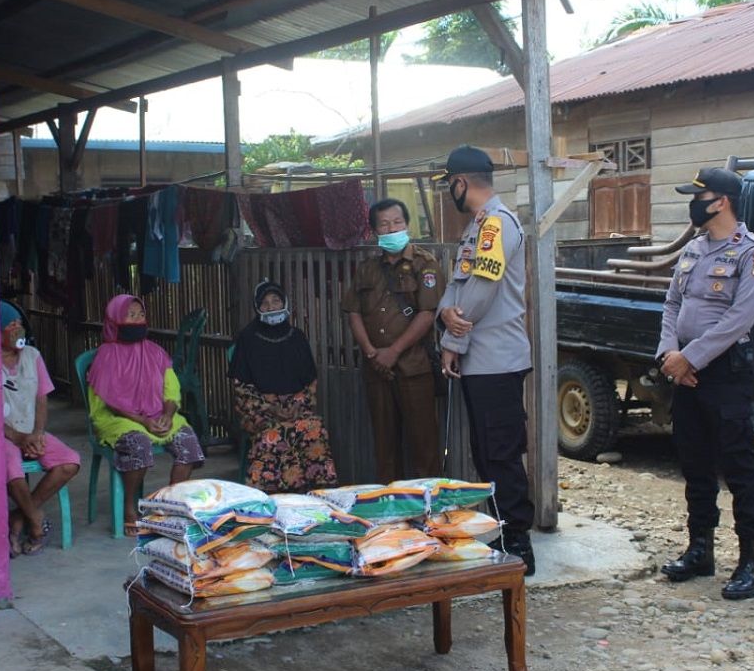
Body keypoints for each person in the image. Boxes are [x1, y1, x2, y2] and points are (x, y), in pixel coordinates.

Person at [657, 167, 754, 600]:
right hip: (684, 374)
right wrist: (670, 355)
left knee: (739, 467)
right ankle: (700, 549)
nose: (693, 203)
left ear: (720, 201)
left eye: (698, 196)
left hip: (724, 374)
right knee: (695, 464)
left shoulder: (751, 254)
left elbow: (739, 319)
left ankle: (750, 562)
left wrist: (691, 357)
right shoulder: (693, 249)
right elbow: (672, 304)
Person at [435, 145, 535, 575]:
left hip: (498, 359)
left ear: (461, 182)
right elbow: (457, 286)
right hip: (481, 360)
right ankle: (500, 530)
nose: (449, 194)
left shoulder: (497, 224)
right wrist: (443, 312)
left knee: (502, 453)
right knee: (485, 453)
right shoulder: (477, 228)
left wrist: (451, 339)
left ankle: (519, 542)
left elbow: (481, 290)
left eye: (449, 186)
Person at [342, 199, 444, 481]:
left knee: (424, 446)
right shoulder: (367, 269)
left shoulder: (425, 264)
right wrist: (372, 353)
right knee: (384, 447)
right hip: (376, 370)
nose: (392, 228)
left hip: (414, 368)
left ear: (407, 224)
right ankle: (392, 510)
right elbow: (353, 312)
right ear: (375, 230)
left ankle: (430, 509)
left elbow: (427, 314)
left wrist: (393, 352)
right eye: (384, 224)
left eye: (397, 222)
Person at [87, 295, 205, 534]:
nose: (138, 319)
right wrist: (143, 421)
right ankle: (130, 507)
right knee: (138, 443)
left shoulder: (155, 352)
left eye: (141, 314)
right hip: (117, 418)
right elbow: (111, 402)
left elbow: (172, 391)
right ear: (116, 320)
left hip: (156, 414)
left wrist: (168, 415)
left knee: (189, 443)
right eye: (131, 315)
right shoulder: (106, 356)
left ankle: (171, 506)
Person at [229, 280, 338, 493]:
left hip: (296, 406)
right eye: (265, 303)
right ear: (257, 307)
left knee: (313, 429)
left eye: (276, 301)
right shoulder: (248, 339)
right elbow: (241, 385)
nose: (271, 307)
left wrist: (297, 405)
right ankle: (271, 494)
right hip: (260, 410)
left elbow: (310, 381)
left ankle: (315, 491)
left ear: (285, 303)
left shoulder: (296, 337)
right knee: (272, 433)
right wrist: (270, 408)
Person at [0, 301, 80, 557]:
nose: (16, 329)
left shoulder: (32, 356)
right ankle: (35, 522)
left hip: (30, 431)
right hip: (2, 436)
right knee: (11, 468)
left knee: (69, 461)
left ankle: (20, 518)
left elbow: (41, 399)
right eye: (9, 325)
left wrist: (37, 433)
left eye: (18, 324)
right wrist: (17, 437)